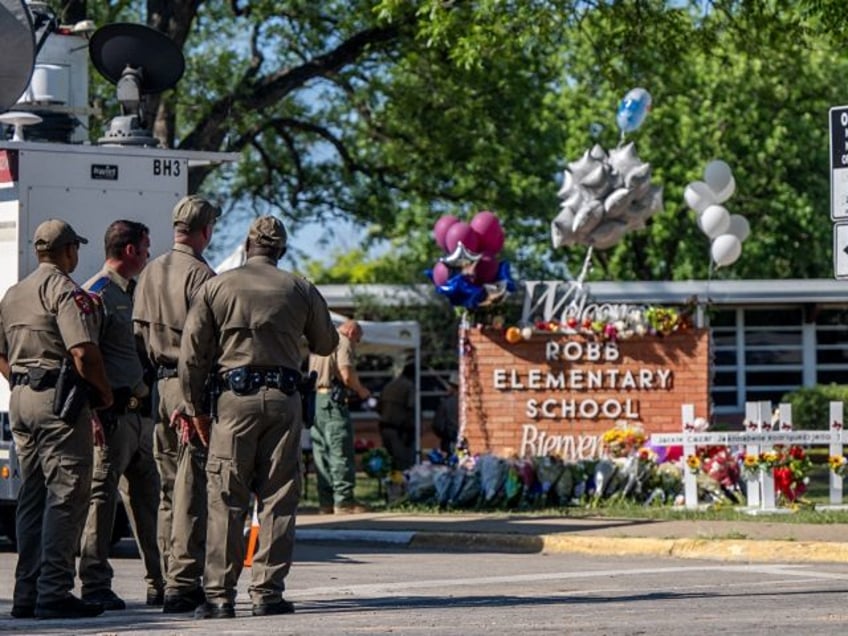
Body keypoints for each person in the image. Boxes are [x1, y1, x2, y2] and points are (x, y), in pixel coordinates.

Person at [176, 216, 338, 619]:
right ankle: (267, 593)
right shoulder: (300, 288)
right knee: (279, 497)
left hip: (233, 401)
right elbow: (327, 342)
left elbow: (192, 355)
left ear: (248, 246)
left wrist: (195, 407)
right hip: (284, 400)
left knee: (226, 496)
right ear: (280, 250)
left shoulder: (216, 286)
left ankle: (219, 596)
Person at [0, 219, 113, 619]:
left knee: (32, 496)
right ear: (68, 251)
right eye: (75, 249)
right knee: (67, 494)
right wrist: (102, 392)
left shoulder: (14, 293)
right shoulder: (64, 291)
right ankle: (55, 591)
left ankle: (26, 592)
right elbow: (82, 351)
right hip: (58, 403)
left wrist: (20, 378)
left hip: (21, 399)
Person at [132, 195, 219, 613]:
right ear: (205, 230)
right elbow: (204, 344)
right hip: (189, 390)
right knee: (191, 489)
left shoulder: (150, 271)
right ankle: (183, 583)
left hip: (158, 388)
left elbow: (135, 337)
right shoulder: (200, 275)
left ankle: (167, 577)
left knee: (168, 488)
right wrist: (196, 400)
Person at [78, 220, 164, 610]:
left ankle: (160, 581)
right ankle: (95, 583)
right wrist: (93, 411)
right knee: (101, 502)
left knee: (149, 502)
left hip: (140, 416)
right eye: (145, 248)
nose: (148, 254)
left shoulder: (133, 293)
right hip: (110, 417)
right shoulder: (96, 294)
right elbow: (82, 354)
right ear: (129, 250)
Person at [309, 319, 374, 514]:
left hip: (316, 401)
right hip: (333, 402)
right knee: (340, 451)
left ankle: (325, 502)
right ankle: (344, 501)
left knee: (321, 454)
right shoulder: (342, 341)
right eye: (358, 339)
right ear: (352, 332)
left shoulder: (321, 341)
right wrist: (362, 391)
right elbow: (346, 374)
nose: (357, 344)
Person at [378, 362, 416, 470]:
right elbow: (411, 408)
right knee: (403, 464)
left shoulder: (389, 385)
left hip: (385, 426)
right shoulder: (409, 386)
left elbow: (379, 407)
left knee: (390, 463)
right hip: (400, 430)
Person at [432, 371, 459, 454]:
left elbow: (438, 425)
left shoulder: (446, 403)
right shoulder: (469, 402)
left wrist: (445, 435)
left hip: (449, 442)